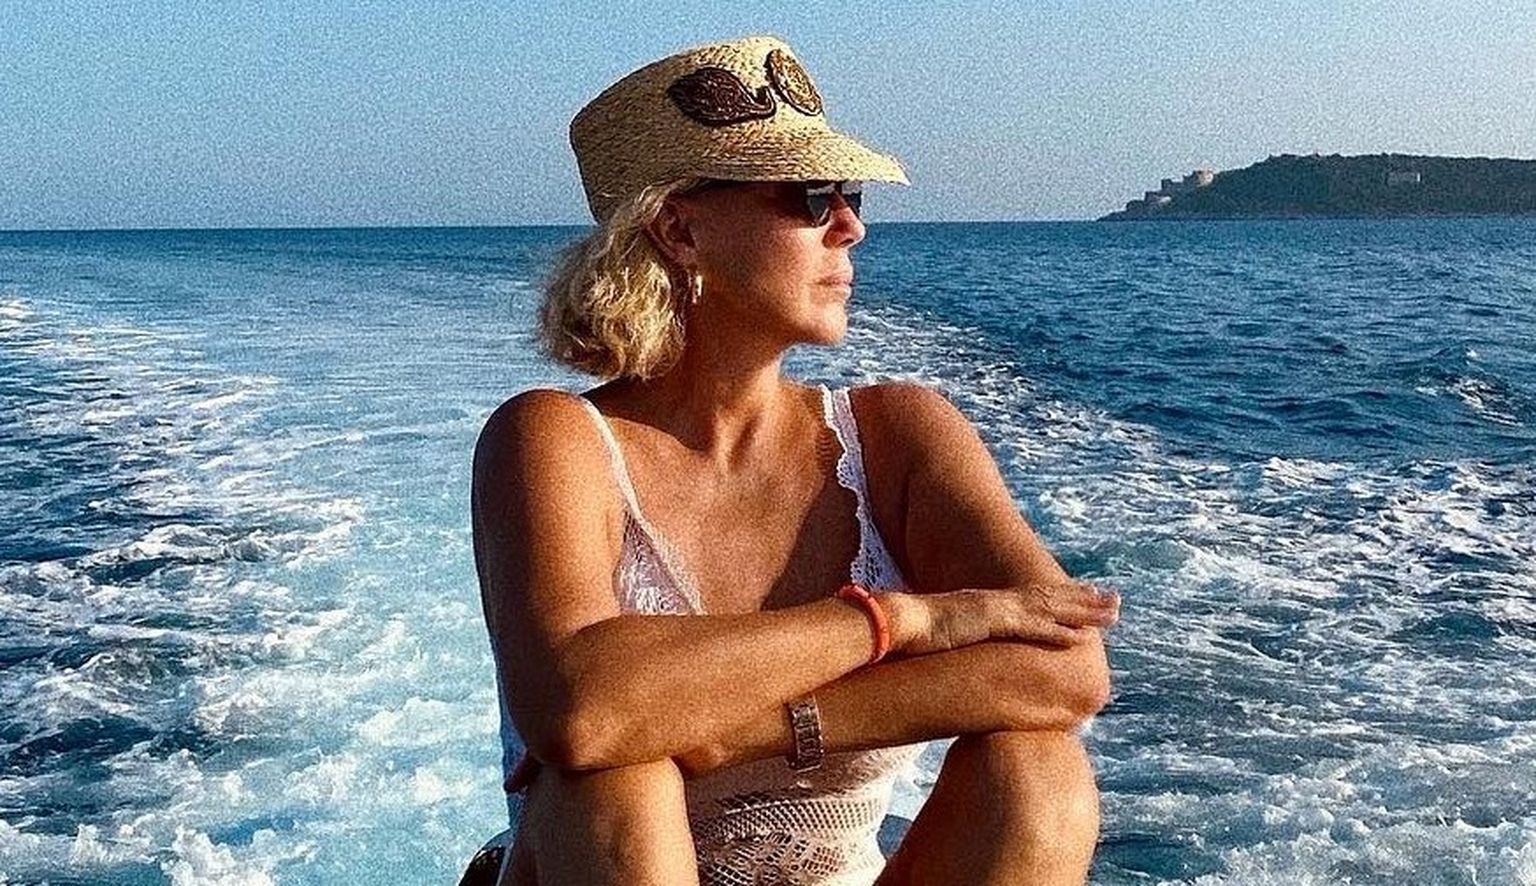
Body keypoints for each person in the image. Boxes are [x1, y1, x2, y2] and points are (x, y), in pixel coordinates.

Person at [467, 35, 1120, 886]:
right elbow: (582, 710)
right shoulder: (554, 439)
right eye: (812, 197)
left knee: (1039, 773)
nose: (852, 226)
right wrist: (898, 624)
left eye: (849, 195)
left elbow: (1068, 668)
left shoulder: (897, 434)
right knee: (618, 780)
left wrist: (744, 728)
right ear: (679, 228)